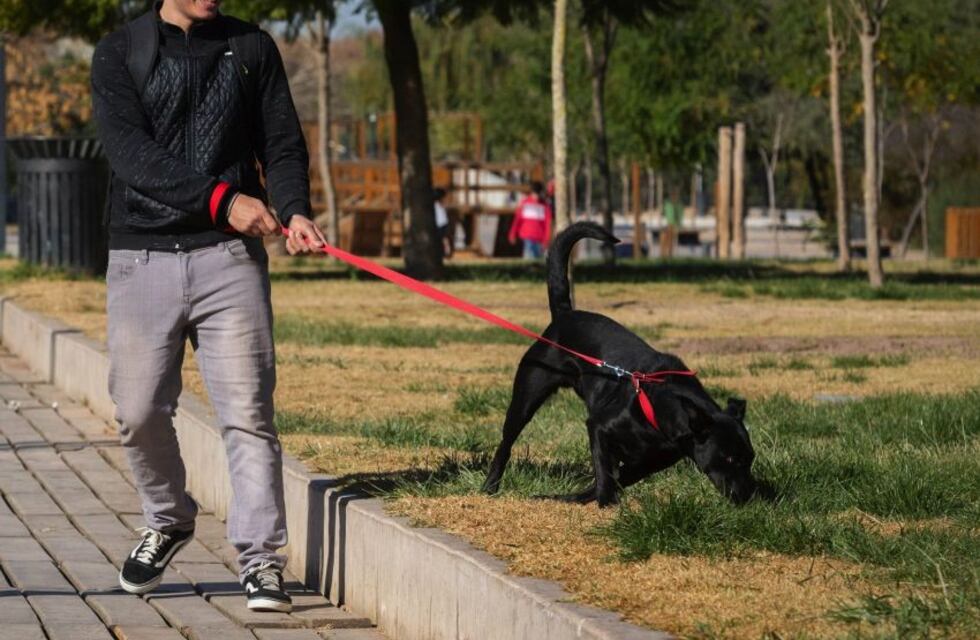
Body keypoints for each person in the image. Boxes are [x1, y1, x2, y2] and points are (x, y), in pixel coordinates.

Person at [90, 0, 326, 613]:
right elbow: (131, 155)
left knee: (248, 413)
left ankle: (261, 560)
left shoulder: (251, 48)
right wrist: (224, 199)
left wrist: (294, 208)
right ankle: (168, 518)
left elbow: (282, 143)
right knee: (138, 411)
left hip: (229, 258)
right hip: (142, 254)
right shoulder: (120, 52)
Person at [508, 181, 553, 259]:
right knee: (529, 258)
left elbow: (547, 224)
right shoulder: (525, 203)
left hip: (539, 239)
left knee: (538, 260)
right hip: (527, 238)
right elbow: (517, 220)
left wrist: (546, 240)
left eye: (538, 194)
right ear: (531, 193)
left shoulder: (545, 206)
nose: (536, 197)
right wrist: (512, 234)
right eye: (534, 194)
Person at [433, 187, 453, 258]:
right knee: (444, 238)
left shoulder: (437, 204)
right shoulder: (439, 204)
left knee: (443, 238)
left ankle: (446, 252)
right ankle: (446, 252)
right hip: (442, 222)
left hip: (440, 223)